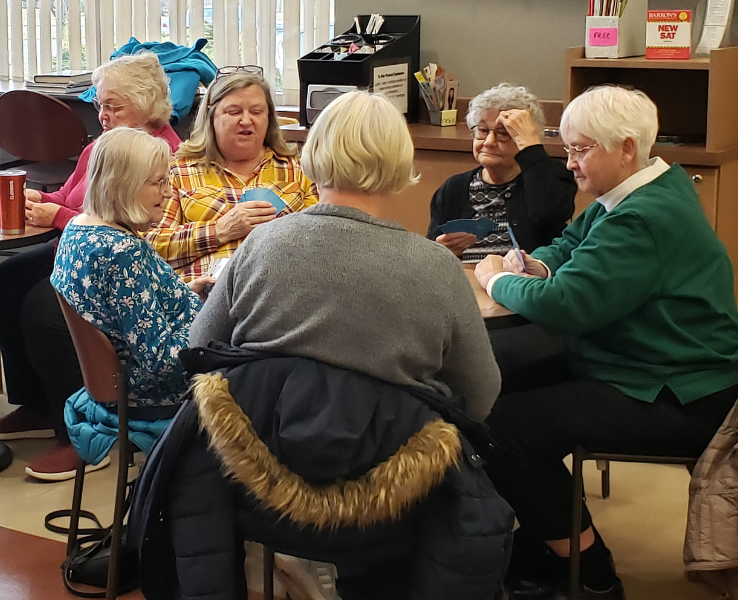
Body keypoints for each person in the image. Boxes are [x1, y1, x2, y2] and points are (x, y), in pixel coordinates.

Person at [175, 91, 506, 599]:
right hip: (391, 503)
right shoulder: (435, 267)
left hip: (259, 490)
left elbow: (201, 352)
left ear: (314, 154)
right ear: (401, 161)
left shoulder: (261, 245)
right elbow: (480, 396)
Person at [473, 86, 738, 600]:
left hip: (679, 392)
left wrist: (497, 280)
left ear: (626, 148)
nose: (571, 163)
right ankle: (546, 532)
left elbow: (565, 307)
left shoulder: (642, 217)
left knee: (503, 425)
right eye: (569, 148)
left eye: (582, 150)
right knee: (492, 381)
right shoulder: (639, 189)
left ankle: (591, 573)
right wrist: (535, 265)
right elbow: (570, 245)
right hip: (646, 364)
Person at [0, 52, 183, 480]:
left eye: (113, 106)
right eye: (100, 104)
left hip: (109, 258)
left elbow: (130, 226)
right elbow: (68, 198)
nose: (102, 115)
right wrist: (37, 203)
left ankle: (76, 436)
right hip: (80, 246)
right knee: (6, 279)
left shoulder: (159, 154)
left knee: (45, 312)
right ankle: (38, 404)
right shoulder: (101, 147)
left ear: (147, 103)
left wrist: (60, 218)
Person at [50, 127, 212, 469]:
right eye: (157, 183)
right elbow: (163, 363)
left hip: (115, 385)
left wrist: (184, 294)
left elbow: (124, 310)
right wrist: (213, 322)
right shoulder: (122, 252)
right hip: (149, 395)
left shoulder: (80, 229)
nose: (168, 193)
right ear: (121, 183)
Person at [145, 67, 318, 282]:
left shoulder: (299, 170)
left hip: (278, 295)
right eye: (234, 112)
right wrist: (219, 230)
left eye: (256, 112)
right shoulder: (178, 172)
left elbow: (322, 242)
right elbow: (150, 246)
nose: (246, 121)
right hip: (202, 302)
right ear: (211, 115)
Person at [427, 83, 575, 263]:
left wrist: (530, 148)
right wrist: (441, 251)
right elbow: (429, 257)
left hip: (524, 286)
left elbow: (551, 214)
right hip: (466, 286)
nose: (489, 142)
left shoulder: (549, 177)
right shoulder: (454, 188)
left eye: (503, 133)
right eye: (482, 131)